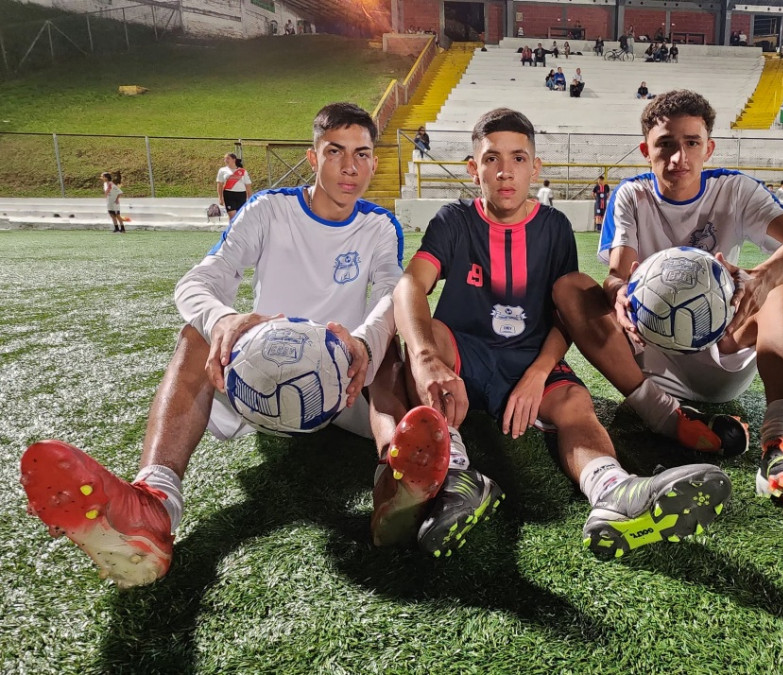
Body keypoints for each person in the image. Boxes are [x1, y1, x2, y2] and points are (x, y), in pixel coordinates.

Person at [20, 103, 407, 587]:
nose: (351, 167)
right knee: (196, 333)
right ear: (313, 157)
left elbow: (393, 297)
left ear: (373, 160)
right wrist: (223, 317)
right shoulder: (269, 210)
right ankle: (155, 505)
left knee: (390, 345)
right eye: (336, 152)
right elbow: (199, 281)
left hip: (345, 390)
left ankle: (400, 479)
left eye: (362, 154)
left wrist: (364, 345)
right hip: (255, 387)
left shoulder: (378, 226)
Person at [387, 107, 731, 559]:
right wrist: (427, 358)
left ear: (535, 168)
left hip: (531, 353)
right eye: (491, 159)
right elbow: (411, 284)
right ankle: (455, 479)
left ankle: (614, 492)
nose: (505, 171)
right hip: (465, 353)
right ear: (474, 170)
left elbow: (564, 313)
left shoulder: (553, 227)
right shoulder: (453, 221)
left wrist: (538, 373)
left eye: (518, 158)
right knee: (423, 336)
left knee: (573, 403)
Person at [553, 90, 783, 513]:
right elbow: (615, 273)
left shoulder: (734, 190)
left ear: (708, 148)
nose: (678, 157)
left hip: (720, 350)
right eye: (665, 144)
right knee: (571, 288)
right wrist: (618, 293)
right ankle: (668, 419)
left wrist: (761, 278)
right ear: (647, 150)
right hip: (647, 354)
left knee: (780, 283)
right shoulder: (631, 195)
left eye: (691, 143)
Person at [216, 152, 253, 220]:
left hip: (241, 194)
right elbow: (219, 184)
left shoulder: (242, 171)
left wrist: (250, 198)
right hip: (229, 194)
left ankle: (240, 230)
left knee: (240, 216)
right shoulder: (222, 170)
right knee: (232, 216)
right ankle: (232, 230)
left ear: (234, 160)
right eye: (224, 159)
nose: (226, 160)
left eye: (228, 158)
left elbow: (248, 185)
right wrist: (220, 198)